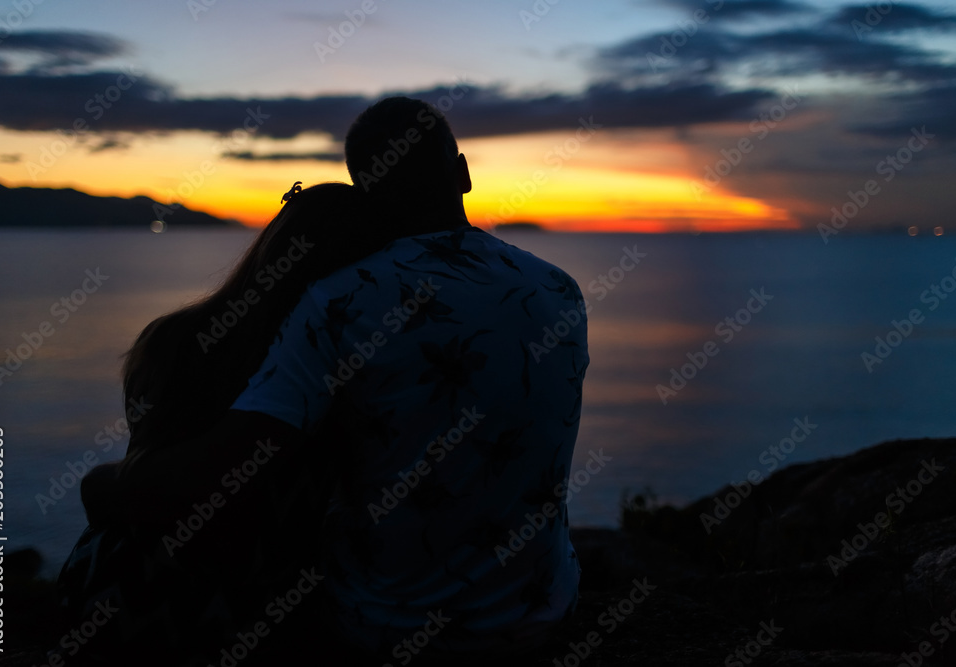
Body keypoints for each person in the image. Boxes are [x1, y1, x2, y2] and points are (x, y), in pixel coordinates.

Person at [76, 96, 590, 664]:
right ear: (463, 174)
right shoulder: (559, 289)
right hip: (544, 613)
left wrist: (105, 488)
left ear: (364, 191)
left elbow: (226, 472)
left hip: (386, 628)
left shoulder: (341, 300)